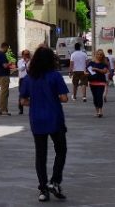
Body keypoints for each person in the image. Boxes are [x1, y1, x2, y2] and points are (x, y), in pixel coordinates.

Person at [18, 47, 69, 202]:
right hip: (54, 118)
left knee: (41, 154)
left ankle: (43, 188)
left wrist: (36, 101)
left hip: (37, 119)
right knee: (61, 150)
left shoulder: (28, 79)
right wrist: (52, 98)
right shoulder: (55, 76)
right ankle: (55, 181)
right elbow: (64, 98)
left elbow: (23, 101)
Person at [87, 49, 111, 117]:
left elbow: (104, 71)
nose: (99, 56)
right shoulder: (91, 63)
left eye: (101, 55)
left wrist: (96, 69)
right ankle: (97, 111)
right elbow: (86, 70)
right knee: (95, 97)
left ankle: (100, 111)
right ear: (95, 55)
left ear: (102, 56)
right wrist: (85, 73)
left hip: (101, 82)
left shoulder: (104, 64)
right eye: (98, 54)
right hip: (92, 82)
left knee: (99, 96)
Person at [0, 42, 12, 115]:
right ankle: (3, 110)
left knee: (3, 92)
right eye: (7, 48)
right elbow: (5, 65)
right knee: (4, 93)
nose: (7, 50)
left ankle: (3, 109)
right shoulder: (2, 54)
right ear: (5, 47)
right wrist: (10, 63)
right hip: (4, 76)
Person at [17, 49, 31, 115]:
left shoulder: (31, 61)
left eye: (28, 54)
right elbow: (21, 69)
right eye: (26, 54)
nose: (27, 56)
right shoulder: (20, 61)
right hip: (22, 79)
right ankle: (21, 109)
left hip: (30, 79)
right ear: (23, 55)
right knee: (21, 94)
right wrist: (25, 63)